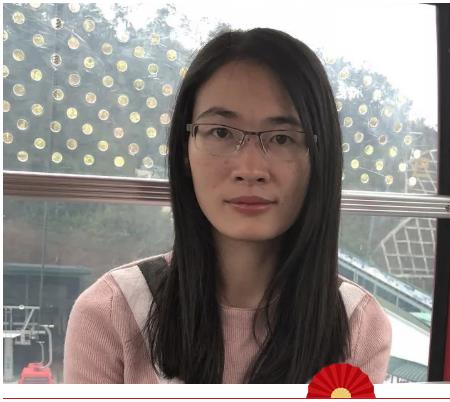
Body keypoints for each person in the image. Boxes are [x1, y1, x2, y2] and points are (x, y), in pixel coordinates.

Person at [63, 28, 392, 384]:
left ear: (319, 157)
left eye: (282, 138)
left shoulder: (357, 324)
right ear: (185, 150)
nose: (250, 169)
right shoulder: (112, 312)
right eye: (221, 132)